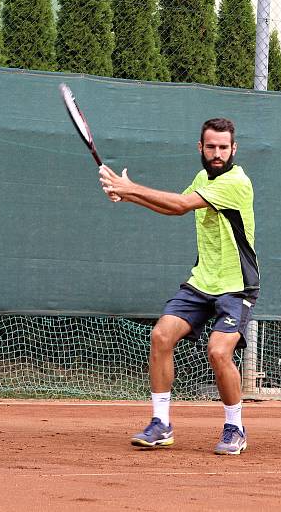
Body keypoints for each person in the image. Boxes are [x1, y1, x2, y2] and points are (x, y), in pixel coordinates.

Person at [98, 118, 259, 455]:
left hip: (236, 286)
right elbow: (176, 209)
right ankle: (160, 424)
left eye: (223, 148)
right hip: (202, 282)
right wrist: (130, 198)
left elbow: (181, 204)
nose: (217, 154)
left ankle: (235, 427)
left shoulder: (236, 182)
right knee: (161, 336)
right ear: (200, 148)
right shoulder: (204, 177)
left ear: (234, 149)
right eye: (211, 147)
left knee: (218, 351)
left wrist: (131, 188)